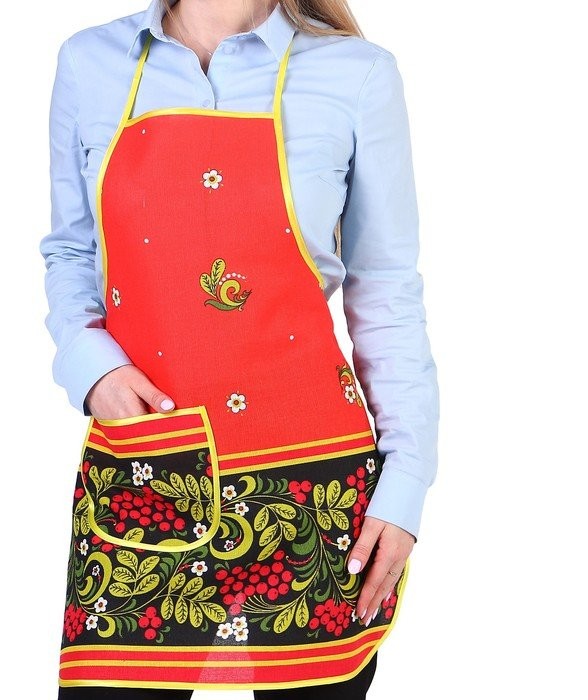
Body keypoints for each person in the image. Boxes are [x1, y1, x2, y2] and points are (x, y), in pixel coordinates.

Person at [40, 0, 440, 697]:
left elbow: (385, 294)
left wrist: (406, 484)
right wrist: (90, 366)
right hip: (147, 473)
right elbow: (72, 251)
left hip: (314, 495)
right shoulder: (90, 62)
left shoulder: (357, 73)